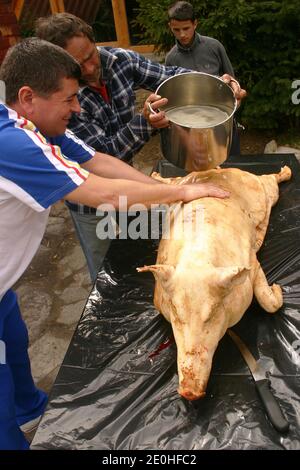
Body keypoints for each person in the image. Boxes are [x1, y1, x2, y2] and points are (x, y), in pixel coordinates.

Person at [0, 37, 229, 450]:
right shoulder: (14, 144)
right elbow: (102, 194)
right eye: (69, 99)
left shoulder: (37, 127)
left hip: (3, 290)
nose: (78, 107)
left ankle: (31, 410)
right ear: (27, 97)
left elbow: (98, 162)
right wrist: (178, 196)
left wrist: (169, 186)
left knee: (14, 343)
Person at [35, 13, 245, 281]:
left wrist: (218, 83)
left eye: (90, 55)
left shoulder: (118, 61)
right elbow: (104, 155)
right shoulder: (61, 99)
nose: (88, 68)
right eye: (77, 64)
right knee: (103, 273)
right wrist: (145, 123)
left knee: (145, 249)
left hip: (127, 181)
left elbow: (172, 76)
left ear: (93, 41)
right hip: (89, 205)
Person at [166, 1, 241, 156]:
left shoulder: (214, 47)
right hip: (191, 132)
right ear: (170, 27)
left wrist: (236, 95)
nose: (182, 34)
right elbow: (171, 102)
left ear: (195, 24)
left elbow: (232, 82)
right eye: (176, 30)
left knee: (231, 170)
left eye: (186, 28)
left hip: (222, 126)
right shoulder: (171, 58)